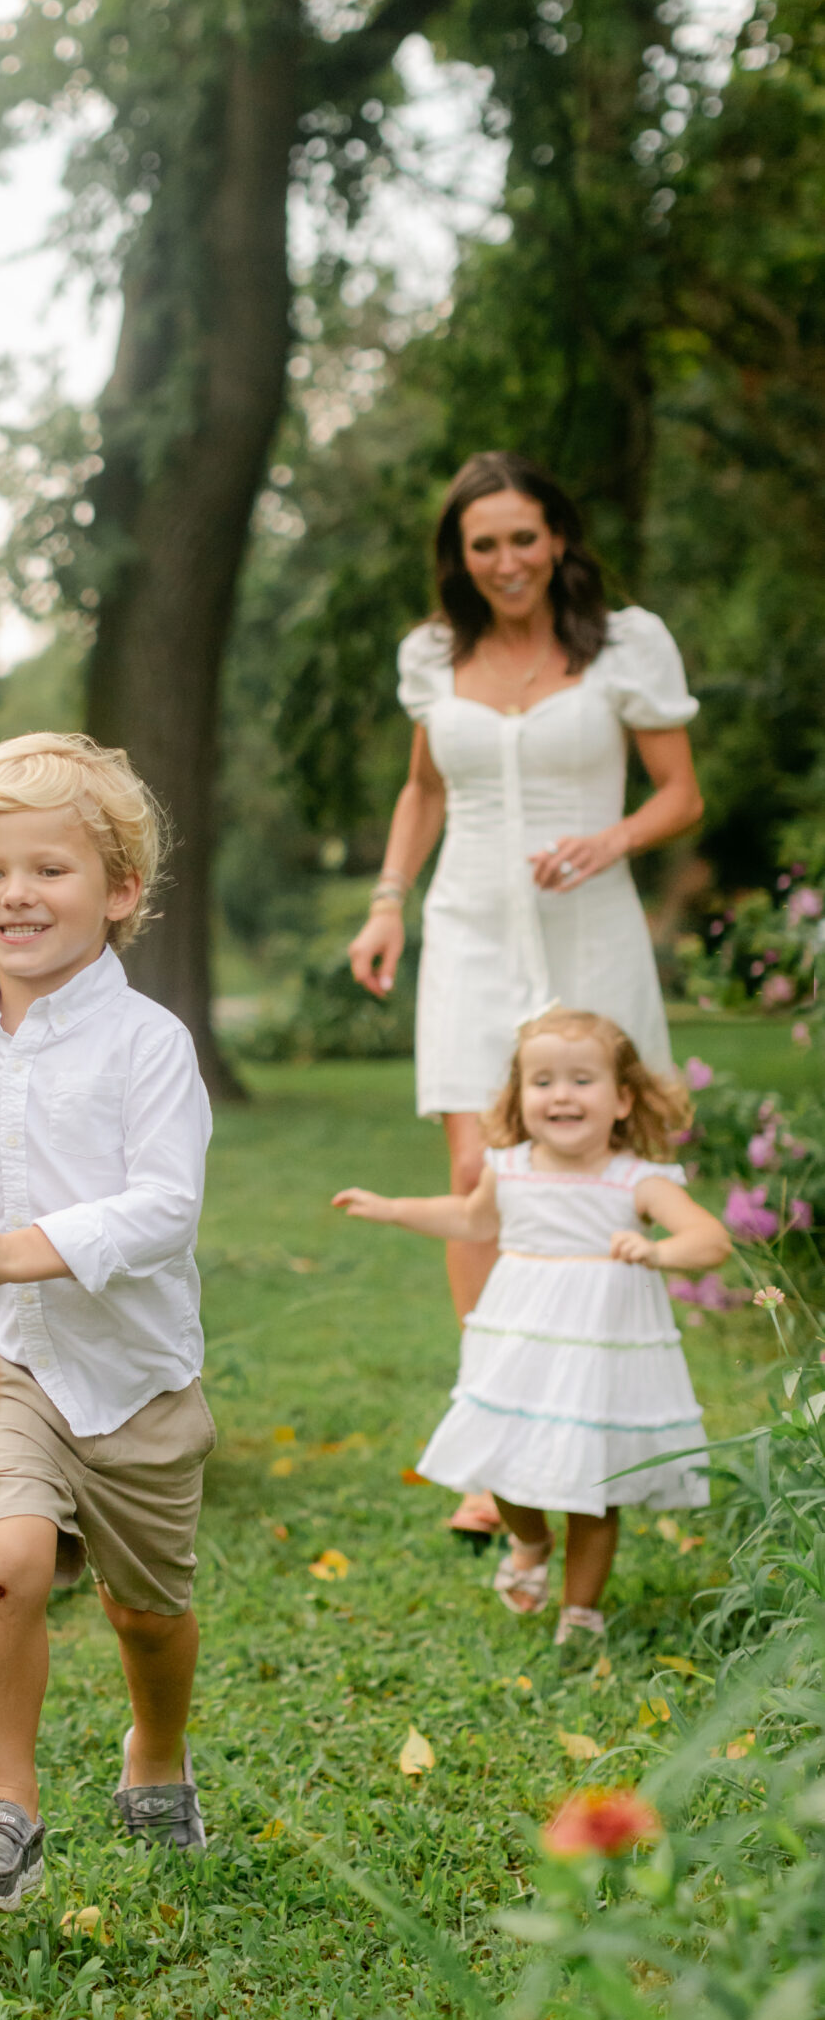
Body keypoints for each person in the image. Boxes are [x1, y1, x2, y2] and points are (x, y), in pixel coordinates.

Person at [347, 453, 704, 1536]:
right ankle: (494, 1445)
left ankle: (595, 1429)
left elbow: (683, 792)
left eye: (523, 537)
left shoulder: (624, 645)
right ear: (459, 557)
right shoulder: (433, 656)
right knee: (477, 1171)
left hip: (588, 928)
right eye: (483, 543)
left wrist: (610, 840)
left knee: (606, 1172)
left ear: (558, 539)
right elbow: (422, 788)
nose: (507, 561)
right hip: (468, 929)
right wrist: (387, 901)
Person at [0, 732, 215, 1913]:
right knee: (3, 1559)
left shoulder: (150, 1044)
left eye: (52, 869)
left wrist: (16, 1246)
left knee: (149, 1613)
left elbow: (165, 1206)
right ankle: (6, 1813)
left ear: (120, 891)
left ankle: (157, 1747)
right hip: (8, 1357)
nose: (18, 895)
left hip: (134, 1374)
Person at [333, 1006, 730, 1645]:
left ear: (623, 1099)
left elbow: (709, 1240)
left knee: (595, 1489)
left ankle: (581, 1612)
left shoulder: (637, 1181)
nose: (561, 1095)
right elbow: (470, 1219)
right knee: (506, 1461)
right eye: (542, 1081)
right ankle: (531, 1538)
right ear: (520, 1096)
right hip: (522, 1346)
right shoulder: (510, 1167)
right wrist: (391, 1208)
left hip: (600, 1356)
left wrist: (657, 1252)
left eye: (581, 1080)